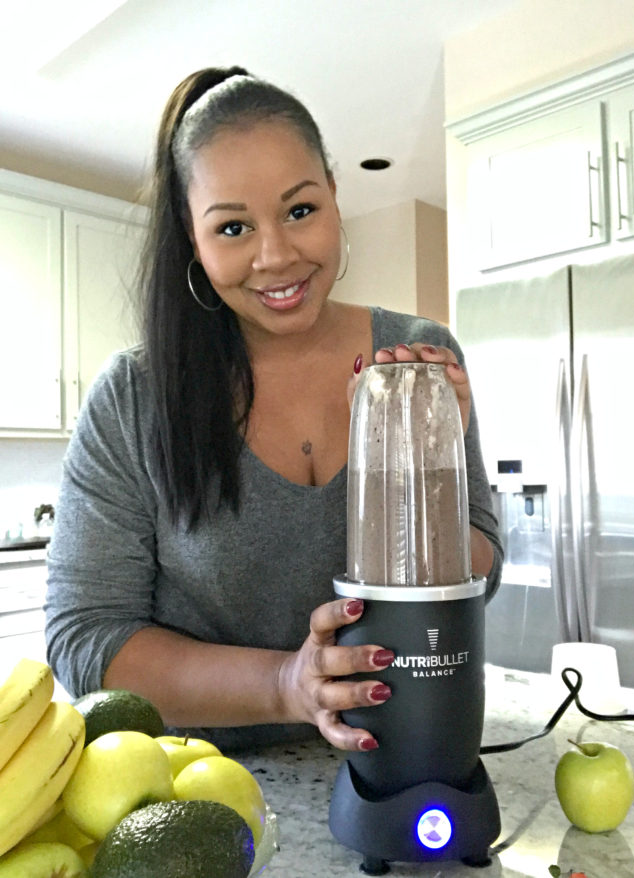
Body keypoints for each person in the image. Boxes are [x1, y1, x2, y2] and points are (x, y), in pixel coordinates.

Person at [45, 66, 502, 754]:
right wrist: (287, 683)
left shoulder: (417, 356)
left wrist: (425, 470)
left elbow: (479, 571)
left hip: (400, 746)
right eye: (232, 227)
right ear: (190, 238)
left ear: (335, 197)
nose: (277, 256)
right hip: (194, 787)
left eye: (300, 210)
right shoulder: (133, 398)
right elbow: (85, 638)